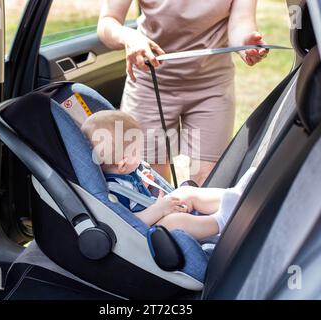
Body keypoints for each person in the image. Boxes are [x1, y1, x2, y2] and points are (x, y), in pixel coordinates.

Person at [98, 0, 268, 186]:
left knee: (208, 182)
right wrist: (128, 37)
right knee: (152, 183)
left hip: (211, 86)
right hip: (149, 83)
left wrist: (246, 43)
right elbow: (107, 21)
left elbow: (241, 22)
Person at [81, 111, 256, 240]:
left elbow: (139, 192)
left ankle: (233, 197)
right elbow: (129, 222)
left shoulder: (126, 172)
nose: (141, 156)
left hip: (157, 208)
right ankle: (220, 222)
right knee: (175, 221)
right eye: (137, 151)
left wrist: (143, 179)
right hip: (147, 232)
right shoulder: (114, 191)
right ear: (122, 164)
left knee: (186, 193)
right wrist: (160, 209)